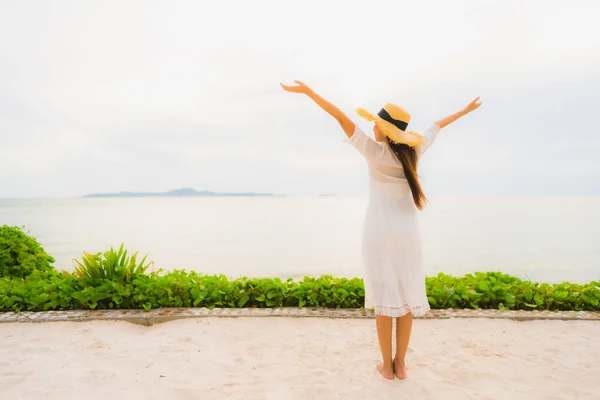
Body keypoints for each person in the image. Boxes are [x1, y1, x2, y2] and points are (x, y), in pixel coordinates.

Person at [281, 80, 482, 380]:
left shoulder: (373, 152)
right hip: (407, 236)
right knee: (406, 297)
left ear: (385, 129)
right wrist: (466, 110)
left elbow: (340, 117)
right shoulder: (413, 155)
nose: (372, 127)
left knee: (384, 301)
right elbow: (437, 125)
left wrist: (309, 93)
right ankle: (401, 365)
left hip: (378, 233)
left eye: (376, 123)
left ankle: (385, 366)